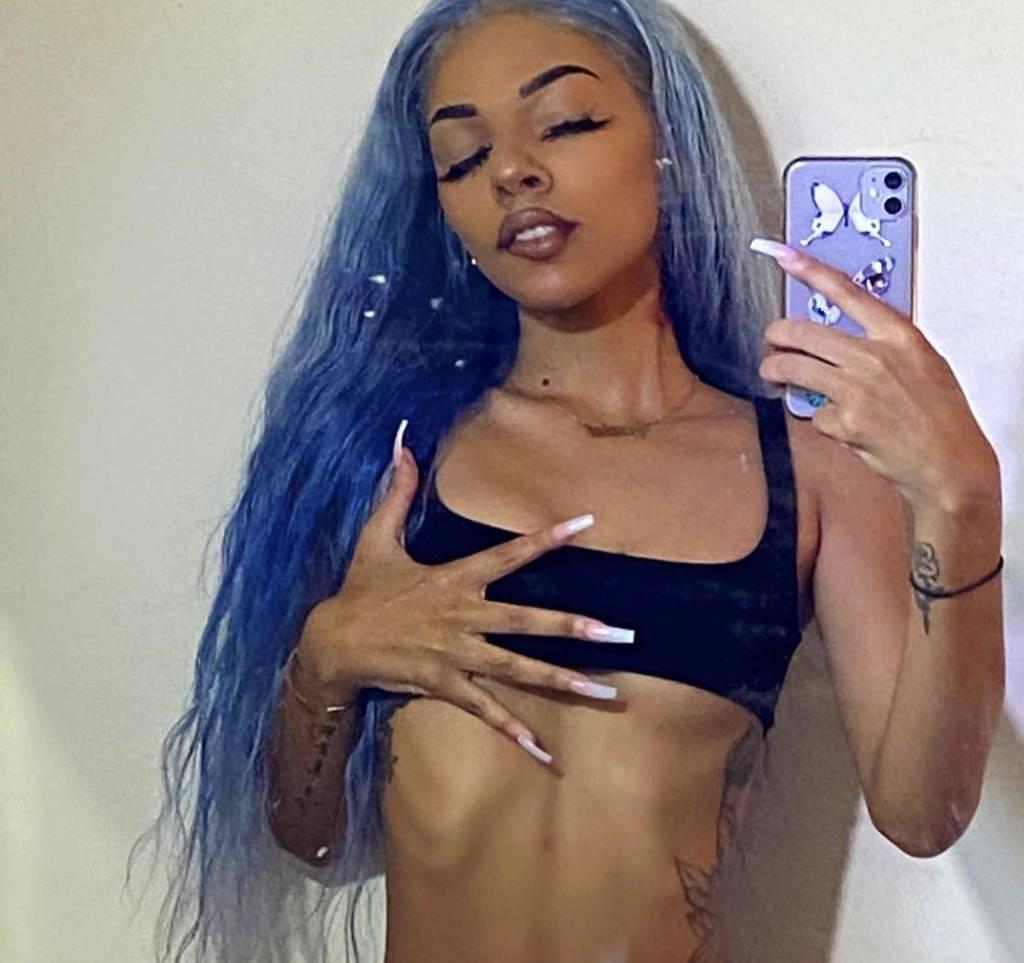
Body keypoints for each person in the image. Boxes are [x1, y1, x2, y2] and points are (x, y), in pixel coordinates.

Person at [129, 1, 1005, 961]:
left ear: (667, 149)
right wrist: (325, 661)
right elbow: (311, 841)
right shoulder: (397, 457)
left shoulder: (809, 473)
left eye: (565, 123)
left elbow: (923, 812)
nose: (511, 171)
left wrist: (960, 499)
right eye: (463, 158)